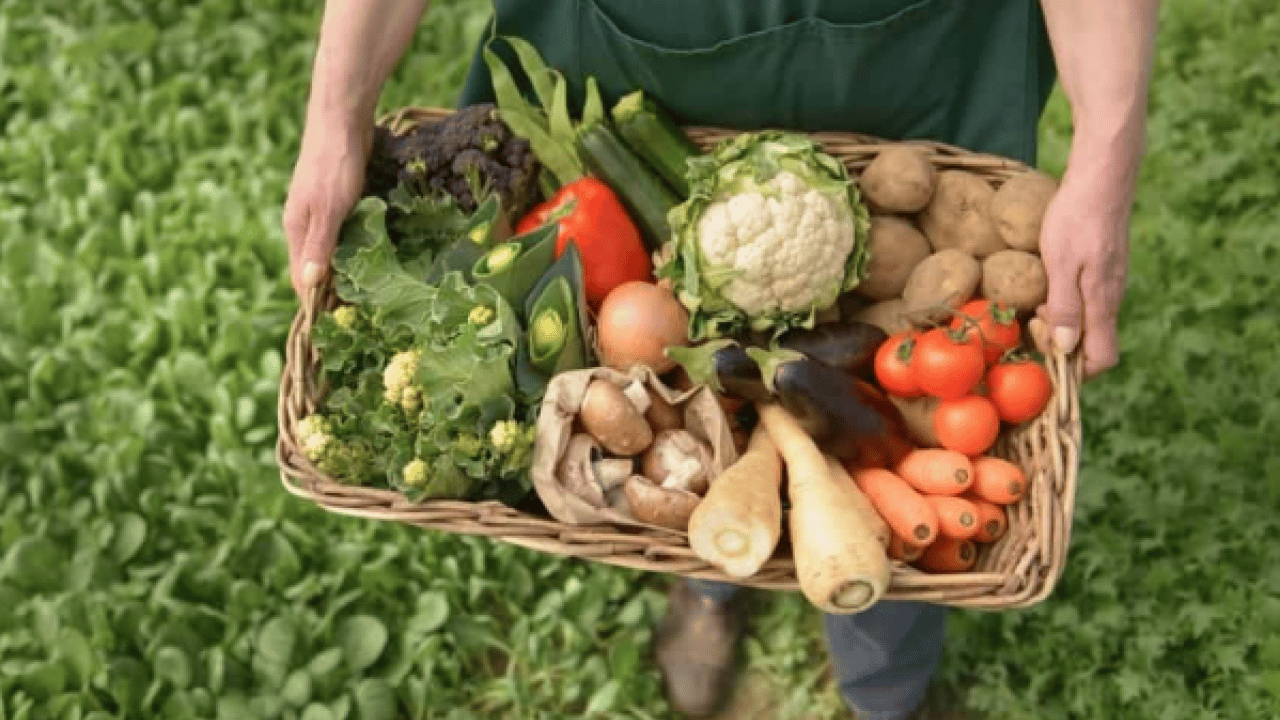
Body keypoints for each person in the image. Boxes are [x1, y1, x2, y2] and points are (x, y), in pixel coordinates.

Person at [283, 1, 1160, 717]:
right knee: (700, 443)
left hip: (910, 59)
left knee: (893, 475)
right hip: (634, 51)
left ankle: (886, 682)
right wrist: (334, 113)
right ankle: (708, 580)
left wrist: (1109, 155)